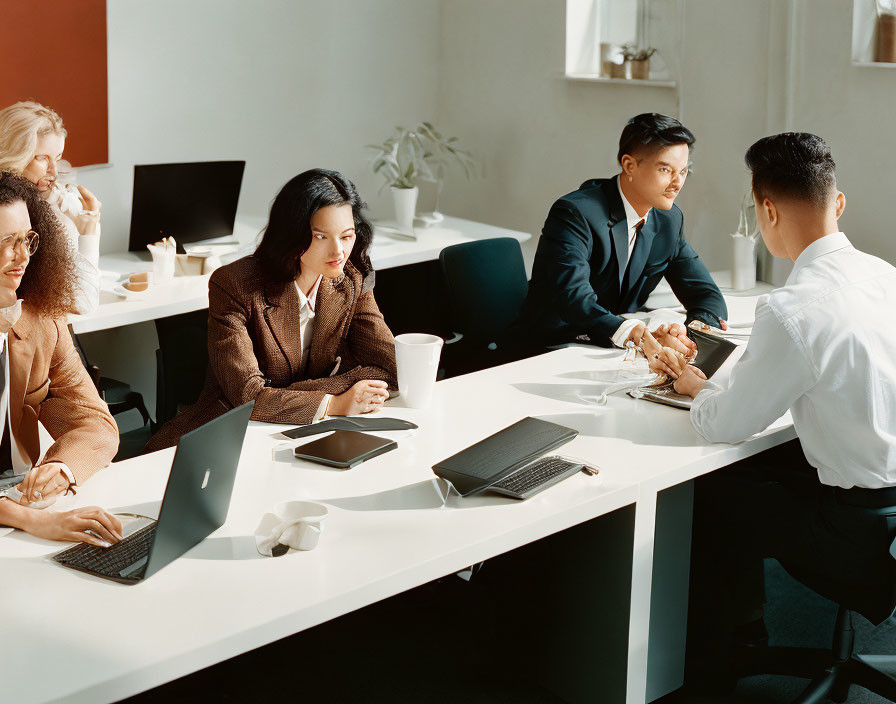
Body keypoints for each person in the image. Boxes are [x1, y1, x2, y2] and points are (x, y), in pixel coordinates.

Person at [672, 133, 896, 690]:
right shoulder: (885, 276)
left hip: (853, 532)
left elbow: (723, 426)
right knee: (765, 471)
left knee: (708, 492)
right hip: (889, 513)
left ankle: (720, 662)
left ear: (766, 210)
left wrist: (697, 387)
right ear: (837, 202)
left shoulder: (793, 309)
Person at [145, 168, 398, 452]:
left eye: (347, 235)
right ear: (292, 234)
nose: (338, 251)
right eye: (321, 237)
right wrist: (336, 401)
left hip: (304, 432)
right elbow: (249, 397)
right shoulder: (234, 284)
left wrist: (291, 399)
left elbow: (392, 365)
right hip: (226, 435)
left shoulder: (351, 277)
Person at [511, 113, 727, 359]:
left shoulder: (669, 219)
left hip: (613, 352)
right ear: (629, 165)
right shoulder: (576, 213)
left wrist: (688, 334)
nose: (677, 183)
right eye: (665, 169)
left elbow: (706, 295)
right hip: (551, 347)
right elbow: (574, 299)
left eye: (684, 171)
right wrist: (633, 333)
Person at [0, 172, 121, 546]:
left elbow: (96, 423)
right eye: (6, 243)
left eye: (27, 240)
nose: (22, 257)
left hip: (21, 499)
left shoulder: (42, 320)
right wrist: (34, 523)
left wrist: (61, 467)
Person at [0, 101, 102, 314]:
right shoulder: (16, 216)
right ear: (14, 153)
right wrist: (88, 232)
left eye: (57, 158)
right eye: (41, 158)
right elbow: (84, 303)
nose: (53, 172)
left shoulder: (42, 206)